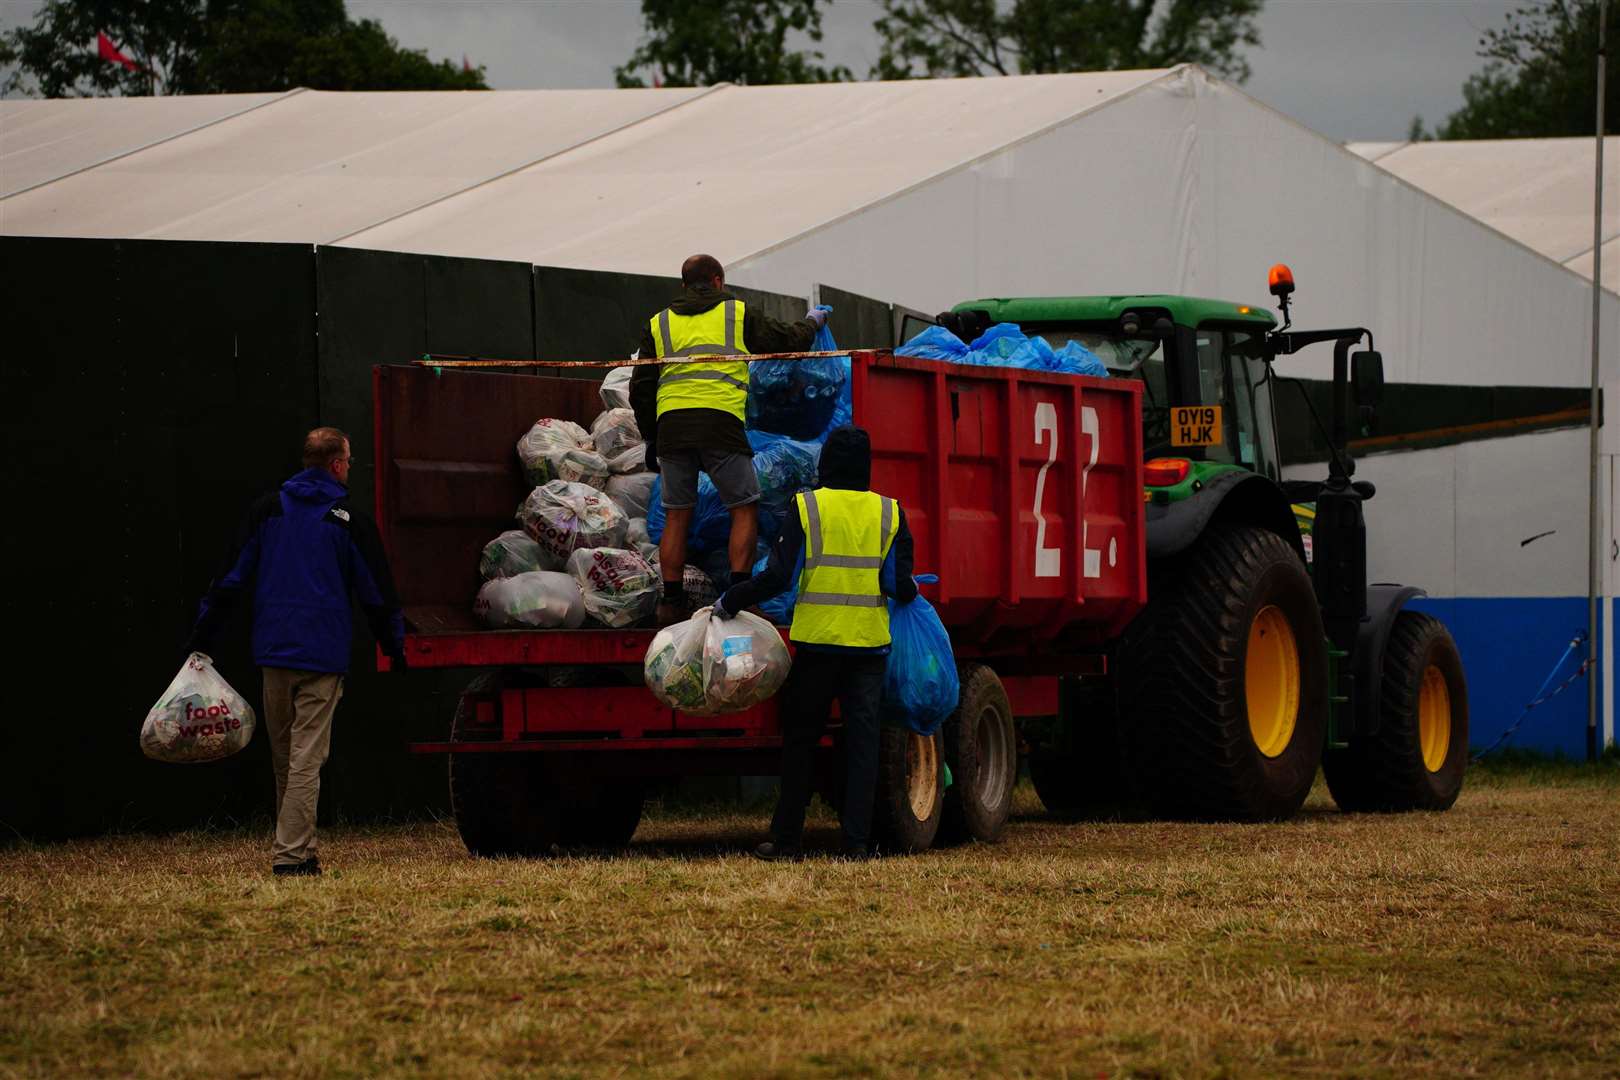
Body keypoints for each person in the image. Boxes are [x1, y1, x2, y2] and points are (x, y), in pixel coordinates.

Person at [185, 427, 405, 878]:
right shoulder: (348, 520)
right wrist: (394, 645)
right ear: (339, 465)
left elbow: (230, 579)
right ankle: (290, 856)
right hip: (322, 655)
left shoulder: (266, 511)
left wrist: (202, 638)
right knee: (307, 756)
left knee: (285, 755)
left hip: (273, 650)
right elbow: (376, 594)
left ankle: (299, 849)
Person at [713, 426, 917, 860]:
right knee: (863, 747)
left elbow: (778, 577)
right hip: (868, 650)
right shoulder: (890, 512)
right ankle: (856, 845)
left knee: (801, 743)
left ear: (826, 465)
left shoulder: (807, 507)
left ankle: (787, 841)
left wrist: (733, 597)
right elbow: (899, 585)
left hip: (818, 646)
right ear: (866, 465)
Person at [631, 253, 825, 624]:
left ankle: (670, 602)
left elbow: (641, 387)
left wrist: (651, 438)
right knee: (743, 507)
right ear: (718, 281)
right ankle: (740, 595)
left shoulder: (659, 323)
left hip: (673, 425)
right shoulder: (736, 313)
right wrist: (811, 325)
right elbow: (784, 342)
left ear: (684, 285)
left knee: (676, 515)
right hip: (720, 423)